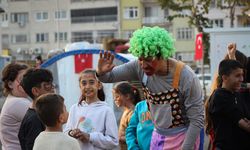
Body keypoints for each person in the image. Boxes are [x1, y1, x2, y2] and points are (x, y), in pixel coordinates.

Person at [96, 26, 203, 150]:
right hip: (158, 137)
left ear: (162, 55)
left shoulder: (186, 76)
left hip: (183, 138)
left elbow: (197, 121)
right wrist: (101, 72)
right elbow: (109, 77)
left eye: (148, 60)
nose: (143, 65)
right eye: (140, 59)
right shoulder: (138, 66)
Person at [64, 69, 119, 150]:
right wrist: (72, 133)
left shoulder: (106, 110)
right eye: (84, 83)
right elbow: (66, 132)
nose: (87, 86)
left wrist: (90, 137)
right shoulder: (74, 108)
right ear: (80, 86)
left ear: (99, 85)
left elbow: (113, 141)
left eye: (92, 82)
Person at [207, 59, 250, 149]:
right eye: (238, 76)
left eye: (242, 75)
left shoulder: (234, 92)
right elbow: (245, 125)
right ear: (225, 78)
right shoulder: (220, 96)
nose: (242, 79)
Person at [18, 68, 55, 150]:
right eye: (47, 85)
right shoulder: (34, 120)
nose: (53, 89)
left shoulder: (37, 115)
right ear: (35, 91)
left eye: (52, 84)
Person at [0, 63, 30, 150]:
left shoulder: (13, 100)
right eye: (22, 79)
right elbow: (48, 121)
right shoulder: (18, 103)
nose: (26, 83)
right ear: (10, 84)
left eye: (27, 79)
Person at [112, 82, 141, 150]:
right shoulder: (126, 111)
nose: (114, 99)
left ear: (127, 96)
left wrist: (119, 138)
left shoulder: (133, 113)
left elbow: (137, 136)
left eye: (117, 96)